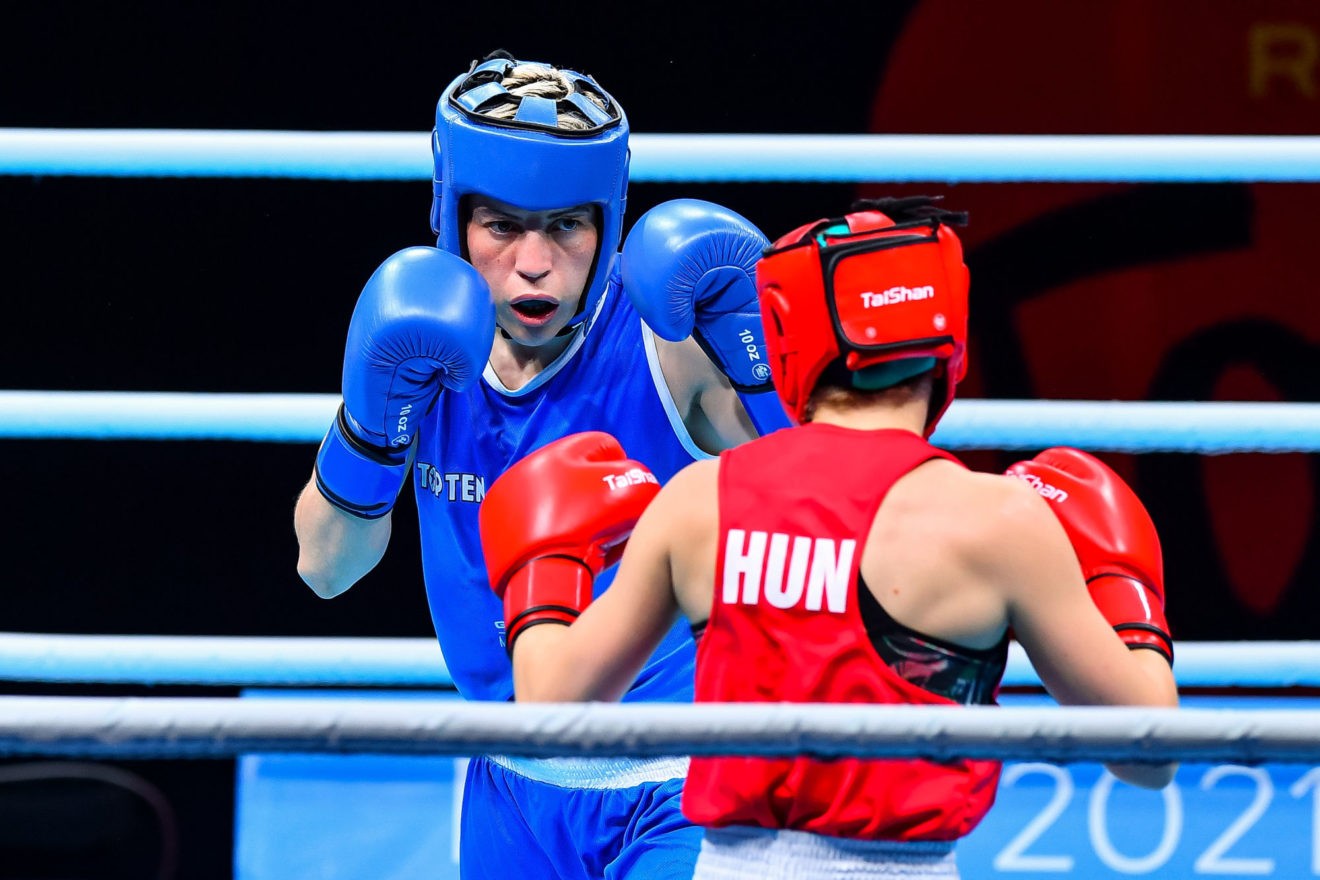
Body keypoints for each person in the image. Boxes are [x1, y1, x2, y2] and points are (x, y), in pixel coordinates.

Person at [480, 197, 1179, 879]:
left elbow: (552, 713)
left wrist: (543, 570)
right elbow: (1148, 756)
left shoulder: (698, 503)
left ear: (780, 334)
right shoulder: (998, 523)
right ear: (950, 341)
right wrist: (1126, 600)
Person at [292, 50, 789, 878]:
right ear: (454, 221)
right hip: (508, 782)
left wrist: (762, 358)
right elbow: (324, 569)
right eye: (502, 226)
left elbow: (833, 511)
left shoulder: (669, 346)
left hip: (680, 779)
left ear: (608, 223)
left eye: (566, 225)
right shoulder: (417, 349)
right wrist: (372, 428)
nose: (534, 260)